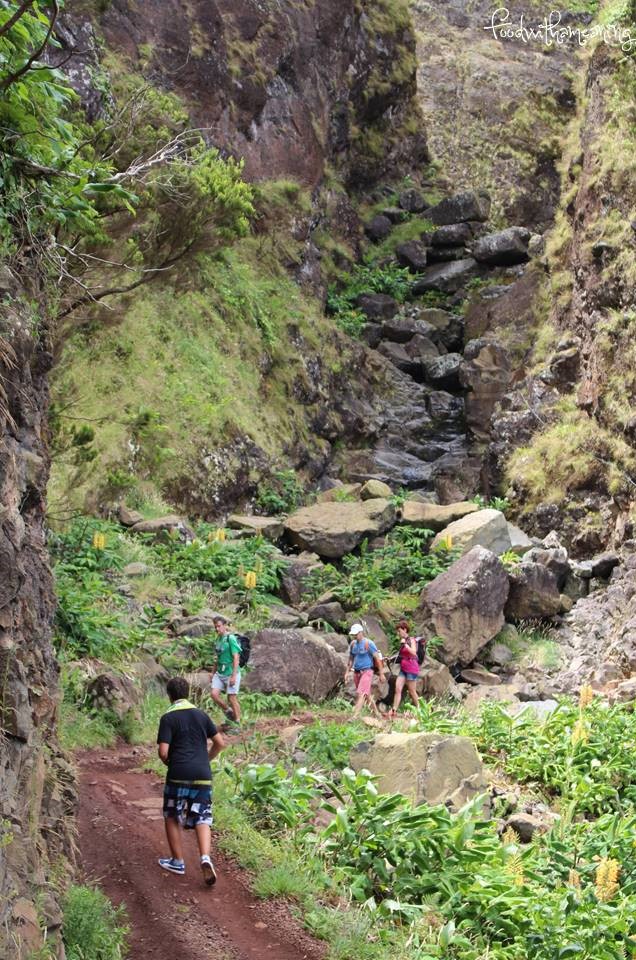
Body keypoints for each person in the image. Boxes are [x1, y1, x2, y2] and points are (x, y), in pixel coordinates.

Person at [157, 677, 225, 885]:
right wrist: (206, 759)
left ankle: (177, 861)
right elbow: (220, 743)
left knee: (171, 815)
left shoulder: (168, 718)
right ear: (188, 693)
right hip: (203, 775)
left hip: (178, 772)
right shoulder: (201, 715)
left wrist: (170, 763)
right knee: (202, 817)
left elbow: (163, 751)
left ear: (170, 695)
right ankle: (205, 857)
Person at [344, 623, 385, 718]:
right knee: (366, 694)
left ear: (361, 632)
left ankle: (355, 716)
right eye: (353, 634)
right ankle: (377, 714)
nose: (354, 636)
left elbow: (377, 659)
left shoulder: (369, 644)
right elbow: (351, 659)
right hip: (357, 672)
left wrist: (382, 674)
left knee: (361, 693)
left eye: (356, 634)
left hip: (367, 671)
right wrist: (347, 672)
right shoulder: (353, 644)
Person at [210, 615, 242, 728]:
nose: (217, 629)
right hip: (220, 672)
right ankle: (229, 712)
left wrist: (233, 676)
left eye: (219, 626)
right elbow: (217, 658)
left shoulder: (231, 639)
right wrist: (212, 673)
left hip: (231, 672)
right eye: (215, 627)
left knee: (231, 697)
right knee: (214, 694)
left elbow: (236, 657)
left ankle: (237, 722)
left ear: (224, 626)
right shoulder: (218, 639)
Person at [390, 620, 420, 716]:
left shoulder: (411, 640)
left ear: (405, 629)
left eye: (399, 631)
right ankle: (394, 710)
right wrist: (390, 659)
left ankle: (421, 710)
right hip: (403, 669)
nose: (398, 633)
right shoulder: (402, 642)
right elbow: (401, 655)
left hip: (411, 668)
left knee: (412, 691)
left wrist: (405, 645)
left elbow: (414, 652)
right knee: (398, 688)